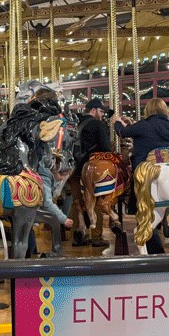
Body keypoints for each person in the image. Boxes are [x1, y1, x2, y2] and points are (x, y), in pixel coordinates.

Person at [111, 98, 169, 255]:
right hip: (168, 177)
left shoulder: (143, 125)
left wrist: (116, 121)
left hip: (145, 175)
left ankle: (155, 251)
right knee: (157, 213)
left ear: (148, 111)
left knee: (144, 214)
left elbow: (122, 132)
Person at [73, 98, 111, 247]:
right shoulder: (97, 124)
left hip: (75, 168)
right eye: (101, 111)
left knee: (77, 202)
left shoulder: (75, 123)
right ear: (93, 110)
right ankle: (96, 236)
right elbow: (106, 148)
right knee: (96, 201)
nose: (102, 115)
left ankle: (79, 235)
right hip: (92, 169)